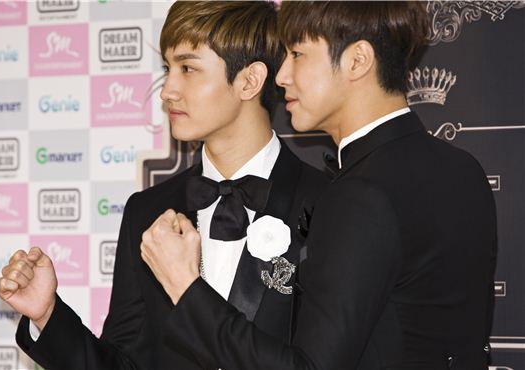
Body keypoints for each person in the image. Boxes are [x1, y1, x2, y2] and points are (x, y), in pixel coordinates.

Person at [145, 2, 498, 369]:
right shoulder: (463, 169)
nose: (281, 76)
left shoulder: (360, 194)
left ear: (357, 61)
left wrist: (185, 287)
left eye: (297, 54)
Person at [0, 2, 328, 369]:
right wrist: (48, 314)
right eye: (168, 68)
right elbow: (121, 363)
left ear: (249, 81)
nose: (167, 90)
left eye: (188, 68)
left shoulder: (327, 202)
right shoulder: (147, 211)